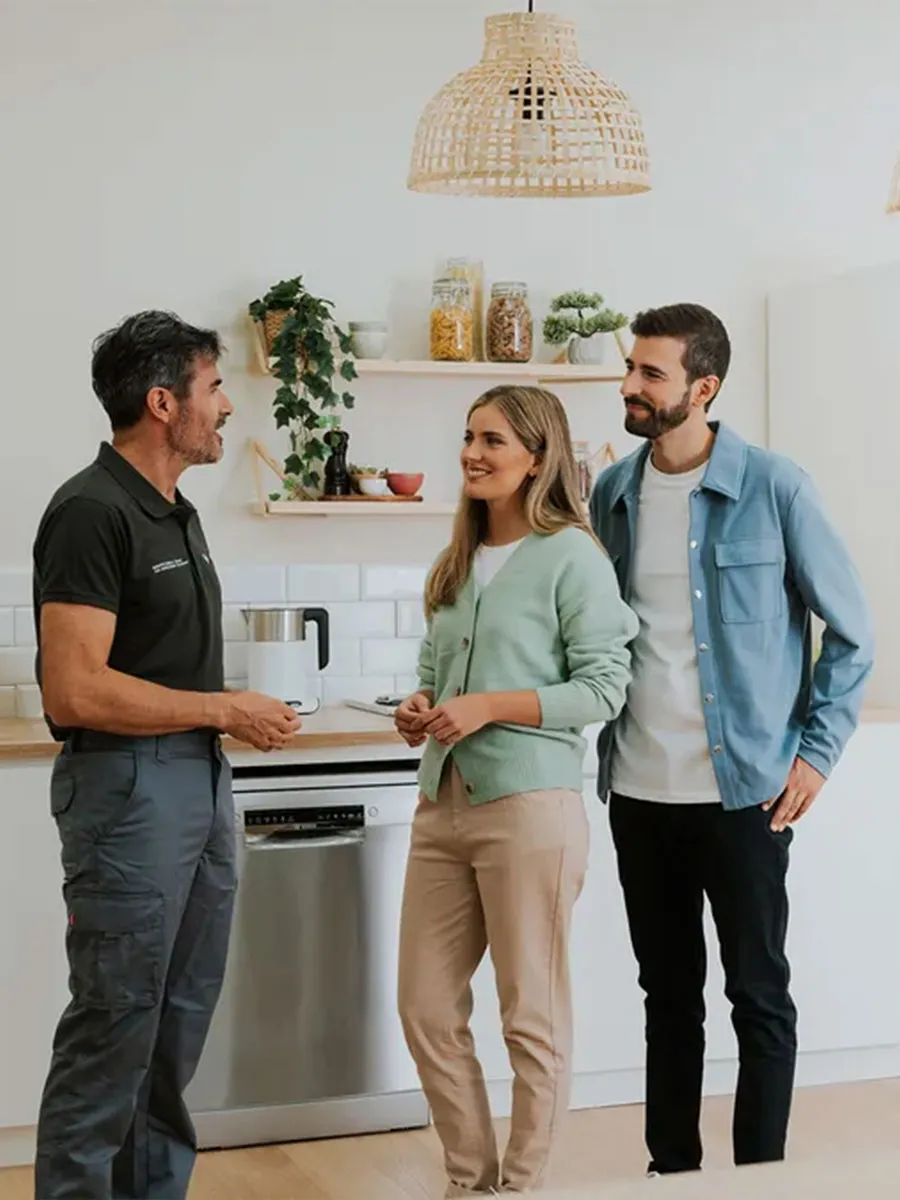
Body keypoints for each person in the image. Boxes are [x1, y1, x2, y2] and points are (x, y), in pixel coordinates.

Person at [589, 303, 874, 1177]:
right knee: (666, 998)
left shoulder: (775, 486)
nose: (630, 386)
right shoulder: (615, 492)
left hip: (745, 790)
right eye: (630, 368)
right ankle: (671, 1172)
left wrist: (815, 756)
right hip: (639, 790)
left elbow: (853, 633)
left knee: (758, 994)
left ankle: (761, 1180)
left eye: (650, 374)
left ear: (702, 389)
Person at [32, 310, 301, 1200]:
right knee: (115, 1028)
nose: (226, 407)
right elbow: (75, 690)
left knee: (176, 1025)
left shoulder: (174, 510)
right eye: (214, 388)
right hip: (128, 790)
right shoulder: (90, 511)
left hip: (197, 782)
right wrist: (224, 707)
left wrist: (217, 725)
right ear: (162, 403)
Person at [394, 385, 639, 1197]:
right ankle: (470, 1180)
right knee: (426, 1009)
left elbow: (604, 688)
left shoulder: (574, 555)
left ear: (538, 457)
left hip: (530, 810)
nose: (473, 451)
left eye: (493, 439)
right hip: (443, 808)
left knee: (529, 1019)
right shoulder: (458, 560)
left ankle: (520, 1186)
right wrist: (419, 708)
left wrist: (490, 706)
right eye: (468, 435)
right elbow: (434, 676)